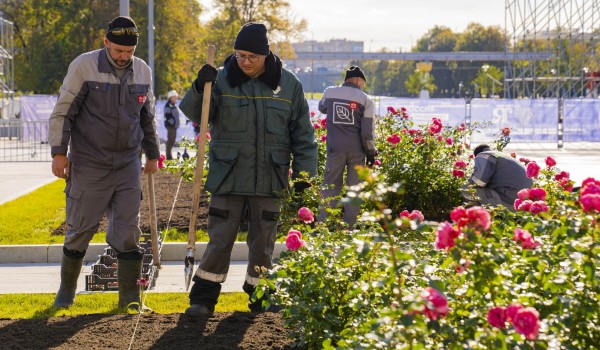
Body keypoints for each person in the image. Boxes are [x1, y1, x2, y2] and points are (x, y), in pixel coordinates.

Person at [179, 22, 318, 317]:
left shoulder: (289, 85)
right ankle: (203, 297)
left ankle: (261, 297)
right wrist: (198, 86)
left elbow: (304, 137)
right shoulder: (219, 80)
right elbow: (194, 113)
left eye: (251, 57)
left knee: (263, 243)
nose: (244, 62)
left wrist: (306, 178)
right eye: (239, 55)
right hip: (228, 176)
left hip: (271, 177)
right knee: (220, 240)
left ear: (265, 55)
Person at [48, 16, 160, 310]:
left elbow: (148, 117)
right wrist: (59, 152)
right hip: (89, 163)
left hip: (127, 165)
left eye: (129, 52)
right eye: (118, 50)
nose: (124, 57)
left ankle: (130, 299)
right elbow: (64, 111)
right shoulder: (84, 66)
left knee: (127, 232)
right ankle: (65, 293)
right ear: (106, 42)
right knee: (80, 229)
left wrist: (152, 154)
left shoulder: (142, 71)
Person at [317, 66, 375, 227]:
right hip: (357, 152)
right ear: (358, 80)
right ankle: (349, 227)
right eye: (363, 82)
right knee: (354, 191)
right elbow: (367, 131)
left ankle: (323, 226)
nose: (363, 86)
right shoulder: (365, 100)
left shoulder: (329, 92)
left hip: (335, 149)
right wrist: (370, 152)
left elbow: (321, 108)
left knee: (330, 187)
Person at [462, 144, 532, 209]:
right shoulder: (502, 155)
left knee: (466, 188)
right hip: (525, 203)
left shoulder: (483, 155)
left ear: (476, 155)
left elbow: (479, 182)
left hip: (509, 203)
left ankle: (471, 218)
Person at [164, 90, 180, 160]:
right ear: (170, 97)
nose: (176, 98)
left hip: (174, 126)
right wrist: (173, 122)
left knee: (173, 141)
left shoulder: (174, 105)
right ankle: (168, 156)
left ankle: (169, 154)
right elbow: (167, 115)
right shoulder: (168, 105)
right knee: (170, 140)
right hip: (170, 126)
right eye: (174, 97)